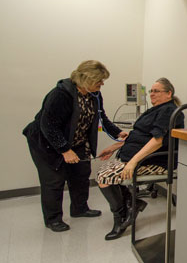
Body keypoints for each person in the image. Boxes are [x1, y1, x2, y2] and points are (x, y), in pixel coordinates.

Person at [23, 60, 128, 232]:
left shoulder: (94, 95)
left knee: (81, 173)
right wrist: (65, 150)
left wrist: (117, 132)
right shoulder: (60, 95)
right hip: (46, 142)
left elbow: (102, 117)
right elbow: (48, 125)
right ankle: (53, 219)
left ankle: (80, 208)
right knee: (54, 179)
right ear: (87, 79)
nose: (102, 84)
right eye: (99, 80)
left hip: (76, 141)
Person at [96, 77, 184, 240]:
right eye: (151, 91)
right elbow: (137, 135)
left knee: (104, 177)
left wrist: (133, 162)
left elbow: (157, 141)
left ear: (169, 93)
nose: (151, 94)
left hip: (155, 161)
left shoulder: (168, 111)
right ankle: (132, 205)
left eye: (156, 91)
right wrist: (113, 148)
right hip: (139, 157)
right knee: (104, 172)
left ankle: (122, 217)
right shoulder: (156, 109)